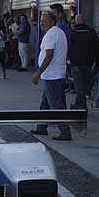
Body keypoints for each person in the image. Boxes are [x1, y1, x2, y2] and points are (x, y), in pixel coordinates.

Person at [31, 12, 71, 141]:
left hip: (52, 75)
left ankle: (65, 131)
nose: (42, 23)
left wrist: (38, 73)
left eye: (45, 21)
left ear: (52, 22)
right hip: (54, 75)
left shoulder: (51, 35)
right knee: (46, 103)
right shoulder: (58, 32)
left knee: (57, 105)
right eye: (41, 20)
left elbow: (49, 55)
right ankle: (42, 127)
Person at [69, 14, 99, 109]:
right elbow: (97, 48)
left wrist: (71, 62)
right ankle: (78, 104)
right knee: (83, 86)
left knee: (79, 87)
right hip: (88, 64)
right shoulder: (92, 32)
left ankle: (82, 107)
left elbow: (70, 49)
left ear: (77, 22)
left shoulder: (72, 32)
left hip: (76, 65)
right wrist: (96, 62)